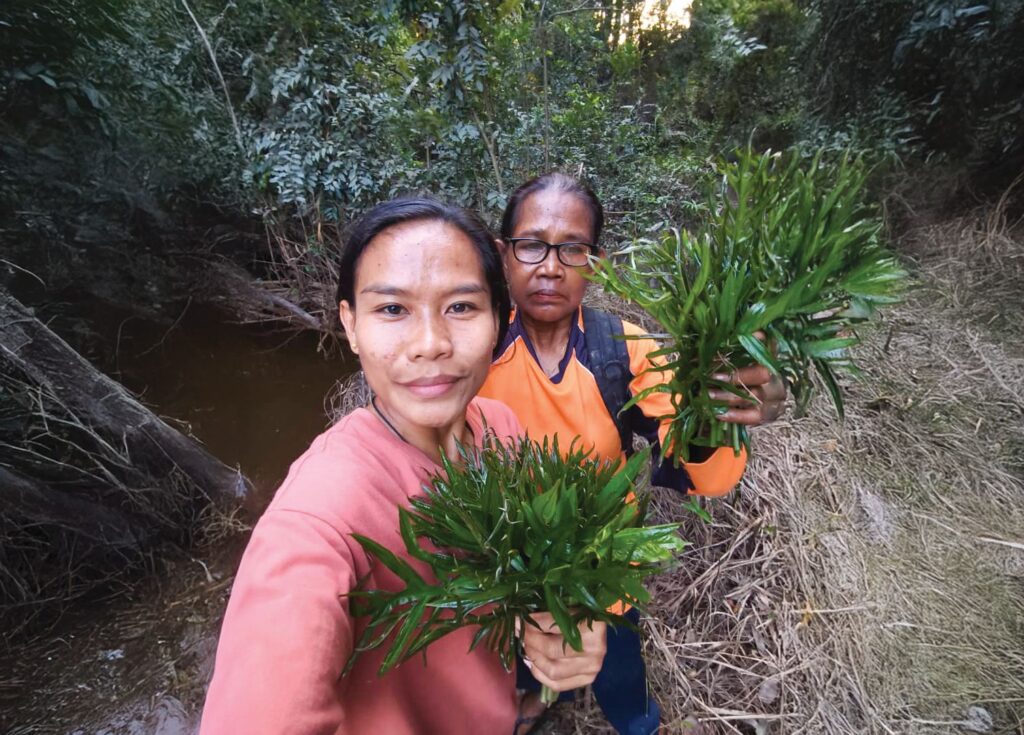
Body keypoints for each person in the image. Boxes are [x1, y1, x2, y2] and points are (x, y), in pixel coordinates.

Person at [199, 198, 608, 735]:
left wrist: (568, 620)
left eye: (461, 307)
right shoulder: (317, 520)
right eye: (392, 310)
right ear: (350, 325)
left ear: (499, 320)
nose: (430, 345)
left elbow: (537, 563)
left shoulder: (500, 427)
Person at [477, 173, 787, 734]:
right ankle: (542, 693)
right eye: (532, 245)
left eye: (573, 249)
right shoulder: (473, 351)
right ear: (503, 254)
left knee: (620, 671)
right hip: (511, 565)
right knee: (527, 649)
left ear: (596, 263)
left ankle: (637, 722)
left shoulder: (623, 351)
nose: (551, 267)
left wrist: (720, 409)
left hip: (606, 567)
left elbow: (708, 475)